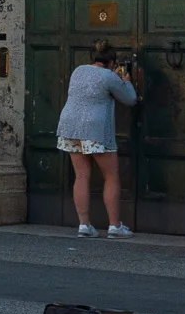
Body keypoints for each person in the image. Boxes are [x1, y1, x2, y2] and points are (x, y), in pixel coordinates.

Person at [55, 40, 139, 239]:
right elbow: (130, 99)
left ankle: (84, 225)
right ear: (111, 62)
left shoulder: (78, 71)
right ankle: (114, 226)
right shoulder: (109, 76)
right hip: (95, 129)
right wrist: (126, 81)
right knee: (111, 176)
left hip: (70, 125)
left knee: (81, 176)